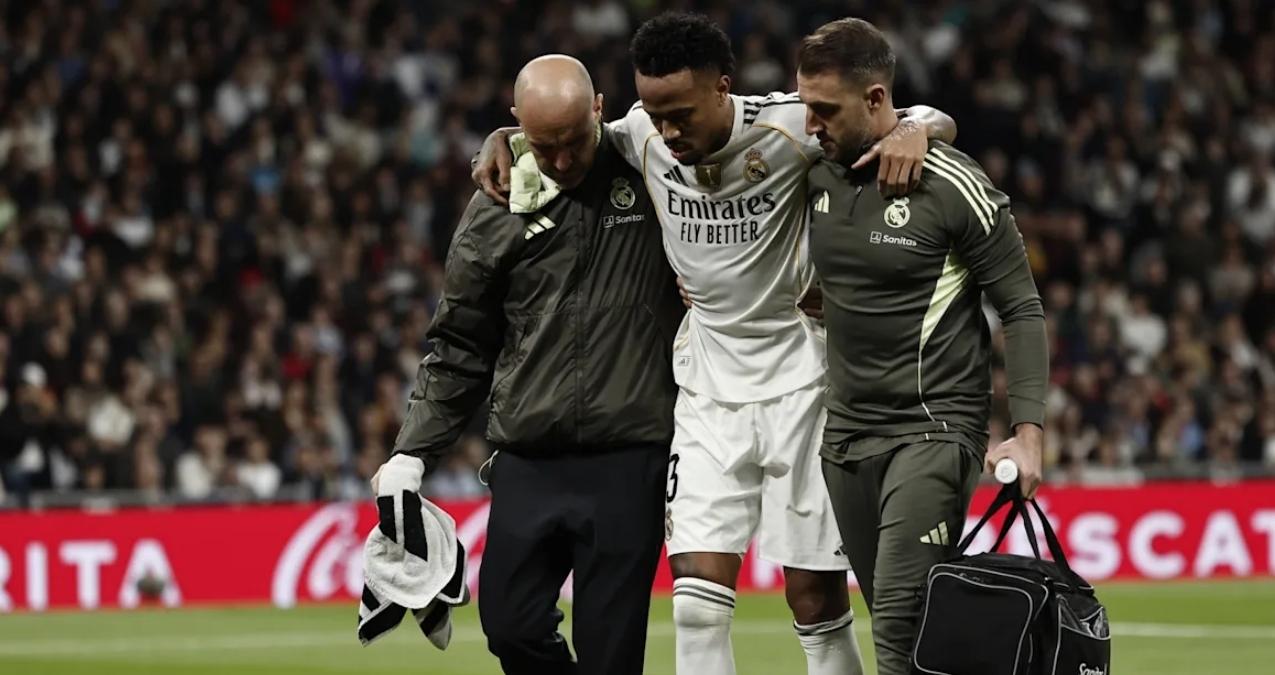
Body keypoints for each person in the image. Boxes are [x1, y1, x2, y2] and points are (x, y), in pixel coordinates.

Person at [473, 12, 958, 675]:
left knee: (814, 601)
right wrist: (501, 139)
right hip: (705, 391)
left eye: (681, 114)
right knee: (697, 606)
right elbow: (565, 133)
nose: (668, 131)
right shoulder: (639, 134)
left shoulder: (787, 127)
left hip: (804, 386)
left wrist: (913, 129)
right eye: (655, 114)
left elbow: (921, 115)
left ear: (723, 87)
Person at [374, 54, 684, 675]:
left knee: (611, 655)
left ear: (600, 110)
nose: (563, 161)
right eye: (545, 146)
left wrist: (900, 130)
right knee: (510, 627)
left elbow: (728, 122)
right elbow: (459, 344)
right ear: (517, 123)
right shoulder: (495, 204)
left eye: (574, 141)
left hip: (631, 460)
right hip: (528, 456)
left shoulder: (655, 170)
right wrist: (411, 453)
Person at [797, 18, 1048, 675]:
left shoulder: (951, 184)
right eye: (805, 106)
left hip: (932, 429)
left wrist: (1027, 434)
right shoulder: (812, 169)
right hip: (845, 438)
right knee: (908, 638)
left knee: (898, 624)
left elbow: (1021, 306)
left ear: (876, 99)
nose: (810, 123)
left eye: (825, 110)